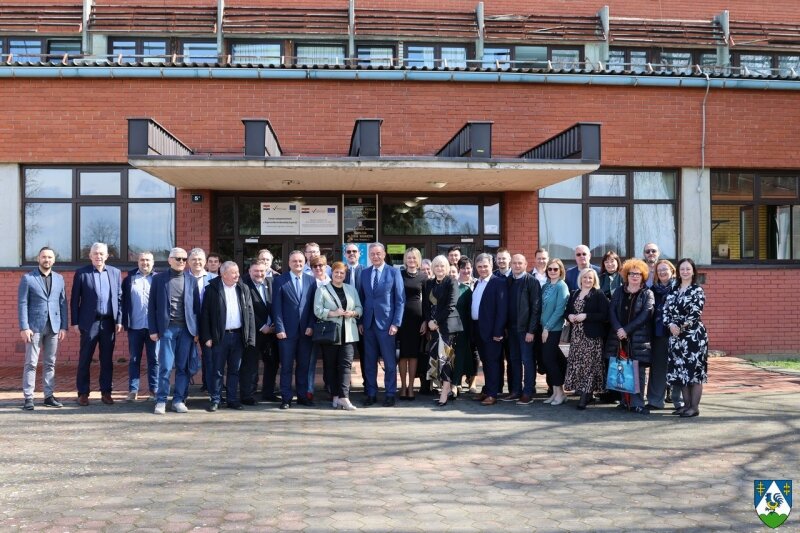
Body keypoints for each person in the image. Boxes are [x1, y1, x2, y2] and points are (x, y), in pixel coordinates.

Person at [147, 247, 200, 414]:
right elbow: (152, 307)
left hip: (186, 330)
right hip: (167, 329)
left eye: (184, 259)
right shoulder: (159, 280)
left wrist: (197, 331)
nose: (182, 262)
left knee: (183, 367)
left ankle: (178, 400)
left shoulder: (191, 281)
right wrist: (153, 330)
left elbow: (197, 308)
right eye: (178, 259)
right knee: (165, 366)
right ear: (170, 260)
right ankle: (161, 400)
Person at [71, 242, 123, 406]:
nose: (98, 256)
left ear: (107, 256)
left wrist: (119, 320)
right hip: (89, 323)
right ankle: (83, 393)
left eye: (101, 254)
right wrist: (75, 322)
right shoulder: (82, 273)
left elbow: (119, 298)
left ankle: (106, 392)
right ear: (90, 256)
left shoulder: (115, 273)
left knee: (107, 359)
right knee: (85, 358)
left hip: (108, 323)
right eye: (95, 253)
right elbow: (74, 300)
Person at [200, 261, 256, 411]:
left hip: (238, 336)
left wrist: (250, 337)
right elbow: (205, 315)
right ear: (223, 274)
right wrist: (206, 337)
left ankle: (232, 399)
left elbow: (249, 314)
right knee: (217, 370)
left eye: (238, 272)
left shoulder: (243, 288)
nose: (238, 275)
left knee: (234, 370)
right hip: (220, 337)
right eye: (233, 272)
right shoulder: (212, 289)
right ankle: (216, 399)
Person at [18, 246, 68, 410]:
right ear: (38, 258)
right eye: (44, 257)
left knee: (50, 363)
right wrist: (24, 327)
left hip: (54, 326)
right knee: (31, 363)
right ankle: (29, 397)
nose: (47, 260)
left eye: (50, 257)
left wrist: (64, 326)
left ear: (54, 260)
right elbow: (23, 303)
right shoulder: (28, 278)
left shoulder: (60, 279)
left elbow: (63, 304)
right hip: (34, 327)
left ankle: (48, 396)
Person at [605, 258, 655, 414]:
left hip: (638, 338)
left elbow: (646, 315)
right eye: (631, 273)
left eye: (638, 274)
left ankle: (637, 403)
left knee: (637, 371)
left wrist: (626, 330)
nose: (634, 276)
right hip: (619, 337)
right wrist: (619, 329)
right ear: (626, 275)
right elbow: (611, 311)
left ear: (643, 276)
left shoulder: (647, 293)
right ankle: (624, 401)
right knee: (621, 368)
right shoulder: (620, 291)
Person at [358, 242, 405, 407]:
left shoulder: (394, 272)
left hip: (387, 325)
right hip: (368, 324)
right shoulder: (364, 273)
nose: (375, 257)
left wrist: (396, 323)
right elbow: (362, 299)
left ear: (384, 254)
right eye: (372, 254)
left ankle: (390, 393)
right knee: (369, 361)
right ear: (369, 256)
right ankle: (371, 393)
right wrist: (361, 322)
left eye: (378, 253)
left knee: (389, 362)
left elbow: (400, 300)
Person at [314, 261, 363, 411]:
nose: (339, 275)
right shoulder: (322, 290)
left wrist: (353, 313)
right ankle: (335, 395)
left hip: (348, 334)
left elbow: (360, 308)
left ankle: (344, 397)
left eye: (342, 273)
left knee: (346, 366)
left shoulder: (351, 289)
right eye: (336, 272)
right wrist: (333, 313)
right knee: (330, 366)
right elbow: (317, 310)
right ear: (332, 273)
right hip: (331, 334)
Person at [664, 258, 709, 418]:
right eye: (682, 269)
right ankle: (686, 405)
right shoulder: (673, 290)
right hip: (675, 338)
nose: (685, 272)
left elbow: (695, 313)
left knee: (694, 371)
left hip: (693, 337)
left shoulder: (697, 290)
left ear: (693, 271)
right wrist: (670, 325)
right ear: (678, 272)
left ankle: (694, 407)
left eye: (688, 269)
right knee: (681, 371)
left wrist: (680, 327)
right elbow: (666, 311)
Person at [272, 250, 317, 409]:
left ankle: (303, 396)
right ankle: (286, 398)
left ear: (304, 263)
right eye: (294, 261)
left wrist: (311, 325)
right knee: (286, 366)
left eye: (300, 261)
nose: (298, 264)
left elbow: (313, 307)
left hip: (306, 332)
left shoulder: (311, 281)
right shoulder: (280, 281)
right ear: (289, 263)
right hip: (286, 332)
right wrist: (279, 328)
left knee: (303, 366)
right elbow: (276, 308)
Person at [564, 268, 609, 409]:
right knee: (579, 365)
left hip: (591, 337)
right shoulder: (575, 293)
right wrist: (569, 316)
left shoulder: (598, 294)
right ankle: (586, 393)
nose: (588, 280)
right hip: (577, 337)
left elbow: (605, 315)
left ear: (594, 279)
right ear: (580, 279)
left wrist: (587, 316)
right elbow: (568, 311)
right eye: (585, 278)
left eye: (590, 278)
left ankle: (585, 395)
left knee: (590, 367)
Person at [423, 255, 463, 406]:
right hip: (433, 328)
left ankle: (444, 394)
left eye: (442, 266)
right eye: (437, 266)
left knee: (446, 359)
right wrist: (429, 322)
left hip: (447, 328)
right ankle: (447, 388)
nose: (439, 268)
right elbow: (425, 306)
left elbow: (451, 305)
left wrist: (436, 321)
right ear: (432, 268)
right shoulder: (428, 283)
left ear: (447, 267)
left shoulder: (451, 282)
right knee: (436, 359)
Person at [503, 254, 542, 405]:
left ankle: (528, 392)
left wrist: (531, 331)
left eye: (520, 263)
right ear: (511, 265)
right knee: (514, 360)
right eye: (514, 263)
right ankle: (516, 391)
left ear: (525, 264)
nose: (517, 265)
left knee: (527, 360)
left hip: (525, 330)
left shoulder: (532, 282)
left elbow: (536, 308)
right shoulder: (508, 281)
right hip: (511, 329)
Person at [470, 253, 508, 406]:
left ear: (491, 266)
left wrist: (498, 331)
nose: (482, 269)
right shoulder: (477, 283)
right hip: (478, 329)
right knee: (485, 362)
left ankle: (492, 394)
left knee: (492, 362)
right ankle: (487, 389)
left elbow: (502, 309)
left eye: (485, 266)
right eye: (479, 267)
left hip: (492, 331)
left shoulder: (498, 282)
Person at [121, 251, 158, 402]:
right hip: (135, 326)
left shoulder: (158, 279)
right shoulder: (129, 279)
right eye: (142, 260)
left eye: (148, 260)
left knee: (154, 359)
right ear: (138, 262)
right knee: (134, 359)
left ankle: (154, 390)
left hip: (153, 328)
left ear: (153, 263)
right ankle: (133, 390)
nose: (145, 263)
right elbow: (122, 300)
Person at [647, 259, 681, 411]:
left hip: (677, 332)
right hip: (659, 332)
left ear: (672, 271)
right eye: (659, 270)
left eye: (665, 269)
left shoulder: (679, 288)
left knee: (678, 366)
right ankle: (655, 400)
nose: (661, 272)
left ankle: (679, 402)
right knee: (658, 367)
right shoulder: (653, 289)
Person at [240, 260, 275, 404]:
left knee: (272, 363)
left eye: (262, 271)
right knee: (250, 364)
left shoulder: (271, 282)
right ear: (250, 271)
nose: (259, 274)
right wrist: (262, 326)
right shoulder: (243, 285)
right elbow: (246, 309)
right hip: (253, 332)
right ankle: (247, 395)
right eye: (256, 271)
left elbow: (275, 305)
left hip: (272, 332)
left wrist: (273, 325)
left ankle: (268, 393)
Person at [539, 258, 569, 406]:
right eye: (549, 269)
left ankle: (560, 393)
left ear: (561, 270)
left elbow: (559, 310)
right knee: (551, 359)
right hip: (543, 328)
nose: (552, 271)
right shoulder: (545, 287)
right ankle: (556, 392)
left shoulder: (561, 286)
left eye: (555, 269)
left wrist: (547, 328)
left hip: (553, 329)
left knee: (549, 360)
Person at [397, 247, 426, 400]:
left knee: (413, 355)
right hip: (401, 319)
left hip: (417, 320)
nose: (411, 260)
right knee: (403, 354)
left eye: (414, 258)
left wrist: (426, 321)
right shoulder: (399, 275)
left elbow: (427, 301)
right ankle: (402, 387)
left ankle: (410, 387)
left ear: (418, 260)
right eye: (409, 257)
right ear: (405, 259)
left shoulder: (423, 276)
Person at [187, 248, 216, 394]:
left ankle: (210, 389)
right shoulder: (183, 277)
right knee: (185, 358)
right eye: (194, 259)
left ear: (205, 262)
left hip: (208, 325)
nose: (197, 262)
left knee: (209, 358)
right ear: (188, 262)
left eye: (200, 259)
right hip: (187, 323)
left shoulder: (213, 278)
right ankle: (184, 390)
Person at [308, 255, 331, 400]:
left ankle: (330, 387)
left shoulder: (333, 281)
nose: (318, 268)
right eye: (315, 266)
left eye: (321, 265)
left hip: (330, 327)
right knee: (310, 360)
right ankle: (309, 389)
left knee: (330, 360)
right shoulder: (308, 282)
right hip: (313, 327)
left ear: (326, 266)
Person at [453, 257, 477, 394]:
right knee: (459, 353)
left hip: (475, 325)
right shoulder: (454, 285)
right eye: (463, 268)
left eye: (468, 268)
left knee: (474, 355)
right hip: (460, 325)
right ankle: (456, 383)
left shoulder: (477, 283)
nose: (466, 271)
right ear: (458, 269)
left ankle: (472, 382)